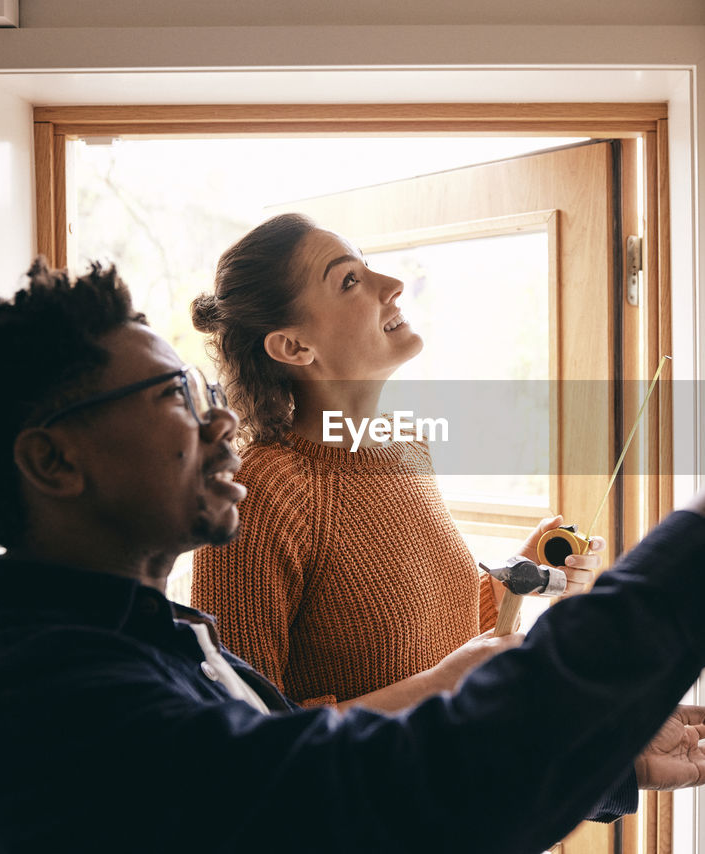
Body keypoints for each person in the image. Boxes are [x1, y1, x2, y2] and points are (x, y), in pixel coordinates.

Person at [0, 261, 705, 853]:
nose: (215, 425)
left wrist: (610, 754)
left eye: (204, 395)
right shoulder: (19, 703)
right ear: (51, 460)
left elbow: (295, 772)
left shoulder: (151, 636)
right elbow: (379, 802)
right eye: (173, 398)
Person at [189, 213, 605, 711]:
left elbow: (423, 643)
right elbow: (240, 734)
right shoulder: (258, 494)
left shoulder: (406, 443)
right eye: (350, 280)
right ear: (294, 346)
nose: (394, 284)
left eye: (367, 266)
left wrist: (516, 578)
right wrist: (440, 685)